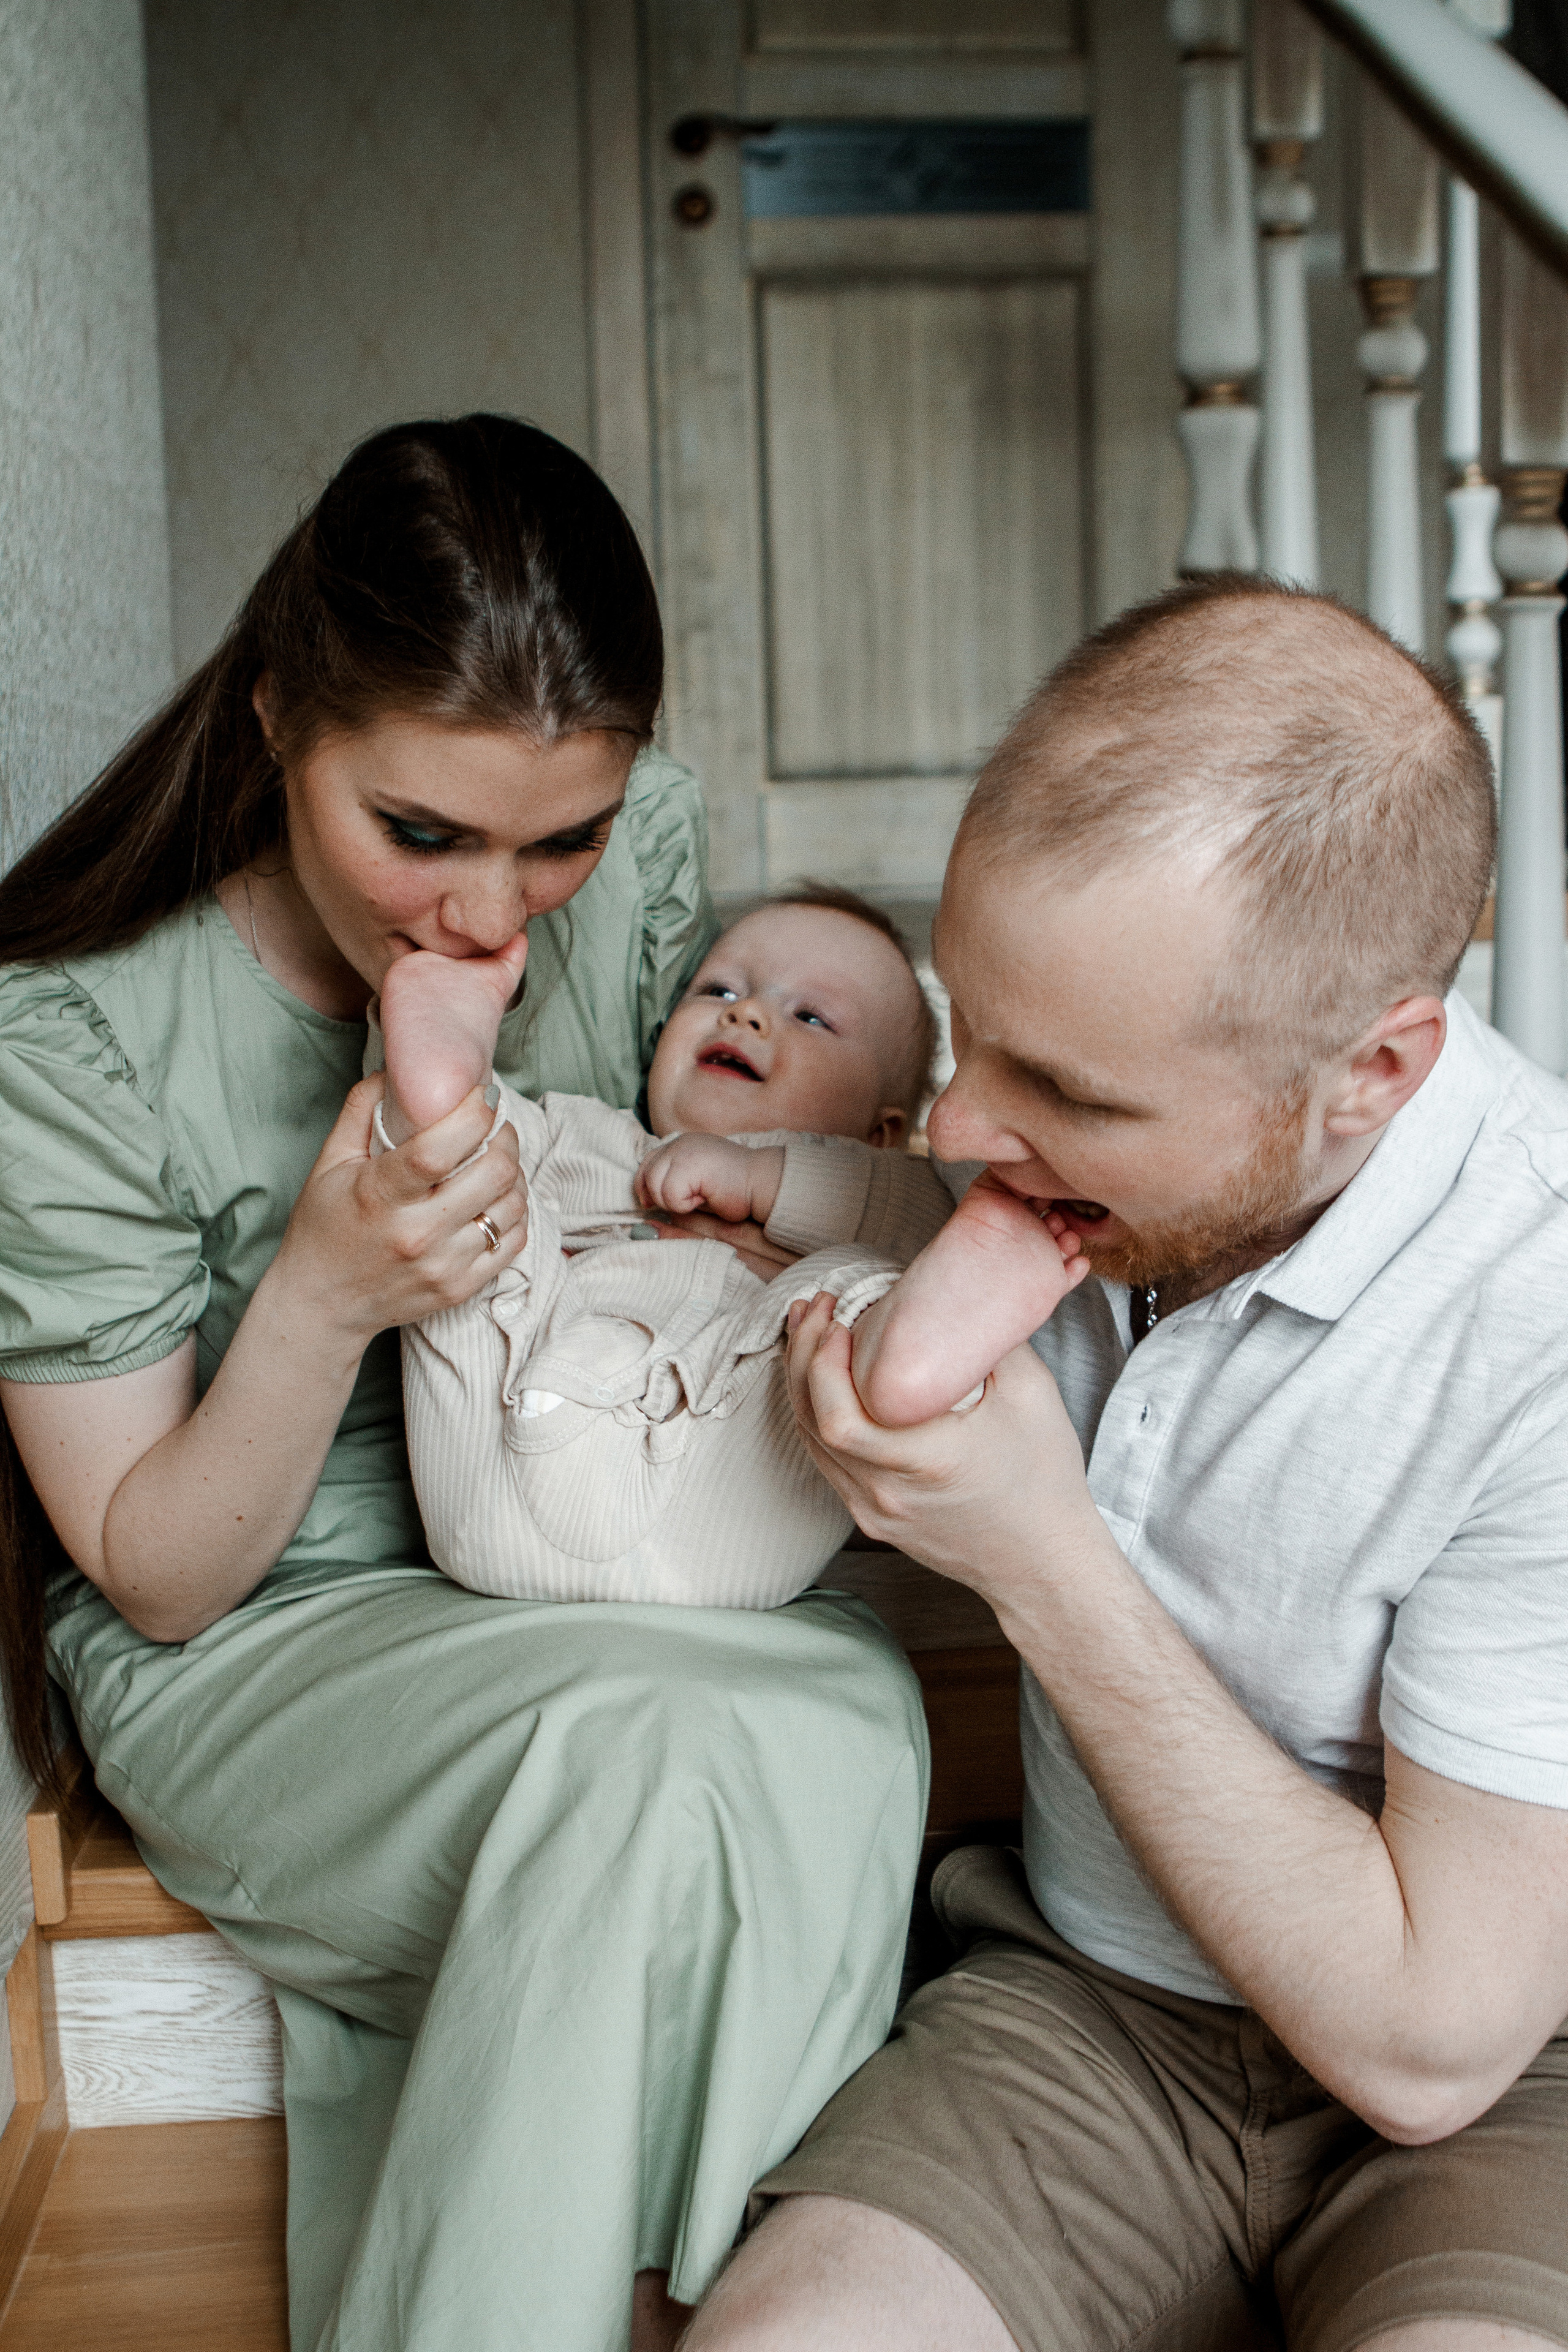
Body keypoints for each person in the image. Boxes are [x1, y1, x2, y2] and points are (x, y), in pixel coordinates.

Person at [0, 414, 930, 2352]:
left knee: (844, 1707)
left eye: (558, 840)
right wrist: (324, 1295)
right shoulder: (73, 1041)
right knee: (640, 1751)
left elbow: (697, 1172)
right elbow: (154, 1576)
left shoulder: (636, 872)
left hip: (596, 1538)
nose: (496, 918)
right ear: (279, 718)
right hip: (267, 1623)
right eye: (419, 835)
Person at [687, 579, 1568, 2352]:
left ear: (1369, 1071)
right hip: (1080, 2009)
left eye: (1066, 1092)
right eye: (965, 1025)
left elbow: (1431, 2042)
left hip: (1502, 2083)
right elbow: (919, 1179)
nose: (956, 1126)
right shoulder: (1051, 1166)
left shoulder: (1535, 1306)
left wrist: (1037, 1553)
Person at [374, 888, 1087, 1610]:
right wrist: (478, 1127)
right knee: (476, 1208)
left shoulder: (881, 1188)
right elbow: (511, 1157)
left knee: (867, 1281)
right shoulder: (592, 1138)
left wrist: (759, 1176)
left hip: (724, 1510)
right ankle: (441, 1086)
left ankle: (909, 1362)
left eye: (811, 1016)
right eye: (718, 989)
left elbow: (918, 1220)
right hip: (488, 1483)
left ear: (882, 1130)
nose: (745, 1013)